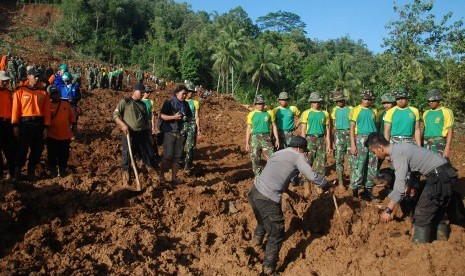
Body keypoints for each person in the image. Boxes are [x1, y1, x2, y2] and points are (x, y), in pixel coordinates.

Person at [248, 136, 335, 275]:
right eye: (304, 151)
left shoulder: (278, 153)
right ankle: (269, 269)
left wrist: (287, 191)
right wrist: (325, 184)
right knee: (277, 233)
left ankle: (256, 243)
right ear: (300, 148)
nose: (304, 153)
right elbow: (311, 175)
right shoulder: (298, 156)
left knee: (263, 220)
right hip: (268, 198)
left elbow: (275, 173)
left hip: (254, 192)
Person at [366, 133, 458, 243]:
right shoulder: (399, 147)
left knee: (421, 215)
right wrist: (410, 185)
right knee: (437, 212)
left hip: (439, 178)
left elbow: (399, 189)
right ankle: (440, 247)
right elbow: (415, 166)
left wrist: (388, 210)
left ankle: (419, 252)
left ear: (380, 148)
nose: (375, 155)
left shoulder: (398, 155)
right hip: (447, 174)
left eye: (374, 152)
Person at [113, 83, 158, 188]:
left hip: (142, 134)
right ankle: (126, 178)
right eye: (141, 92)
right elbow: (115, 116)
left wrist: (149, 135)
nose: (143, 94)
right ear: (134, 90)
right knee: (127, 156)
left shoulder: (142, 104)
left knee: (145, 154)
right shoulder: (125, 102)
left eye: (144, 92)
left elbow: (146, 121)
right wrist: (123, 125)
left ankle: (147, 176)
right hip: (129, 134)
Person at [12, 67, 51, 180]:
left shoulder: (43, 92)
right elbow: (15, 110)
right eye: (35, 76)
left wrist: (46, 127)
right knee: (22, 149)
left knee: (37, 149)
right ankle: (17, 172)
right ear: (29, 77)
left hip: (39, 124)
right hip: (25, 123)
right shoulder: (20, 91)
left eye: (39, 76)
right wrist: (15, 125)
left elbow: (47, 111)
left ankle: (31, 172)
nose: (37, 78)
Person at [159, 85, 192, 184]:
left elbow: (190, 117)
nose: (185, 96)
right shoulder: (169, 102)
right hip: (169, 132)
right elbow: (162, 116)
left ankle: (174, 177)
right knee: (167, 156)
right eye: (183, 93)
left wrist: (186, 118)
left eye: (186, 94)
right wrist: (174, 117)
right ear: (177, 93)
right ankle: (161, 175)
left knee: (177, 157)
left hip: (180, 133)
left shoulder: (185, 104)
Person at [349, 90, 378, 200]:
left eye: (369, 99)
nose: (367, 101)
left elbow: (377, 126)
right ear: (361, 99)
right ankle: (355, 192)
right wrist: (353, 144)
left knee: (372, 165)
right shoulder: (355, 110)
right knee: (359, 165)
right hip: (361, 138)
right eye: (365, 99)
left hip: (373, 139)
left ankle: (368, 191)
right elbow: (351, 128)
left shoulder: (374, 111)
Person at [300, 92, 330, 196]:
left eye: (318, 102)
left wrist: (329, 144)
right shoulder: (306, 113)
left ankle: (318, 185)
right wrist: (303, 144)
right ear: (311, 102)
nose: (316, 104)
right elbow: (303, 130)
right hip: (309, 139)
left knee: (321, 164)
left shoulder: (325, 114)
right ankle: (307, 186)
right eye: (314, 102)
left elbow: (327, 130)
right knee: (307, 163)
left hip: (321, 139)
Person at [245, 94, 279, 176]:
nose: (261, 105)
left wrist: (277, 139)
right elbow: (248, 129)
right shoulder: (251, 114)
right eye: (258, 104)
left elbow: (274, 126)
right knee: (255, 159)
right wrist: (247, 142)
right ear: (255, 104)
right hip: (255, 138)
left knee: (272, 158)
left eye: (262, 103)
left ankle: (271, 176)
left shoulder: (269, 113)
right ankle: (258, 177)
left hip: (266, 137)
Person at [46, 85, 76, 177]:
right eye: (53, 94)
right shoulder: (47, 105)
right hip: (52, 135)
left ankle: (62, 171)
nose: (55, 96)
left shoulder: (65, 104)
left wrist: (74, 126)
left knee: (64, 155)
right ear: (49, 95)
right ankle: (53, 171)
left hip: (65, 135)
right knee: (52, 154)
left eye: (57, 93)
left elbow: (71, 117)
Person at [422, 89, 454, 158]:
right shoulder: (426, 113)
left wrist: (447, 148)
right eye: (429, 101)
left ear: (439, 100)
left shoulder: (446, 112)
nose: (431, 102)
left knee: (439, 164)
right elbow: (425, 129)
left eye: (433, 100)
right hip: (426, 142)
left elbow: (450, 131)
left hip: (439, 143)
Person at [330, 91, 352, 189]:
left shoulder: (351, 109)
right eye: (337, 101)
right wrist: (333, 141)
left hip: (349, 133)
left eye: (340, 100)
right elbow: (332, 126)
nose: (339, 102)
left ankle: (353, 182)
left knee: (352, 159)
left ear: (344, 100)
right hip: (338, 135)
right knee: (339, 159)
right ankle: (341, 183)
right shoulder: (334, 110)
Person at [0, 71, 16, 179]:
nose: (5, 82)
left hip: (7, 124)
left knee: (9, 150)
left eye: (6, 81)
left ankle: (11, 173)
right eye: (3, 81)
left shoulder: (8, 93)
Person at [183, 84, 201, 170]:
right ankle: (179, 162)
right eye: (189, 91)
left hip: (192, 125)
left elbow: (197, 117)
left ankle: (187, 164)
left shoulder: (195, 103)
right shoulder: (180, 102)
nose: (190, 93)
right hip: (182, 125)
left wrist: (198, 129)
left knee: (190, 146)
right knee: (180, 145)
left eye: (192, 92)